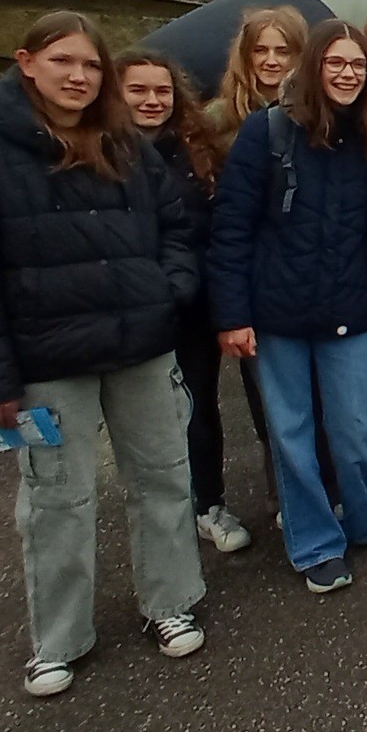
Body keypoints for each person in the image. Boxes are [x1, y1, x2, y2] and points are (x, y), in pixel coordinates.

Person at [0, 12, 205, 698]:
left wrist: (167, 289)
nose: (79, 77)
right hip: (48, 357)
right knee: (57, 498)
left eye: (90, 65)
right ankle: (58, 639)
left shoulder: (125, 143)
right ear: (27, 62)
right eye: (64, 62)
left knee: (164, 477)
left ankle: (170, 602)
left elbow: (177, 223)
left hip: (140, 345)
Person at [210, 22, 367, 592]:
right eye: (336, 63)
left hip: (349, 309)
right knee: (292, 434)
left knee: (357, 427)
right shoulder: (266, 132)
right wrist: (232, 315)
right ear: (315, 67)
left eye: (357, 65)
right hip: (277, 317)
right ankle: (315, 542)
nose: (348, 73)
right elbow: (231, 229)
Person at [116, 49, 250, 556]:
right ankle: (159, 519)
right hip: (130, 308)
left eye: (162, 91)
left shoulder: (198, 150)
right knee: (144, 421)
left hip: (191, 303)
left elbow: (214, 228)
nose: (153, 101)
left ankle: (207, 503)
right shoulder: (101, 153)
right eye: (139, 91)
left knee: (198, 407)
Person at [203, 5, 306, 160]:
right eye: (260, 50)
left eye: (282, 52)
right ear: (245, 55)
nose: (271, 61)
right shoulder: (217, 117)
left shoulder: (312, 114)